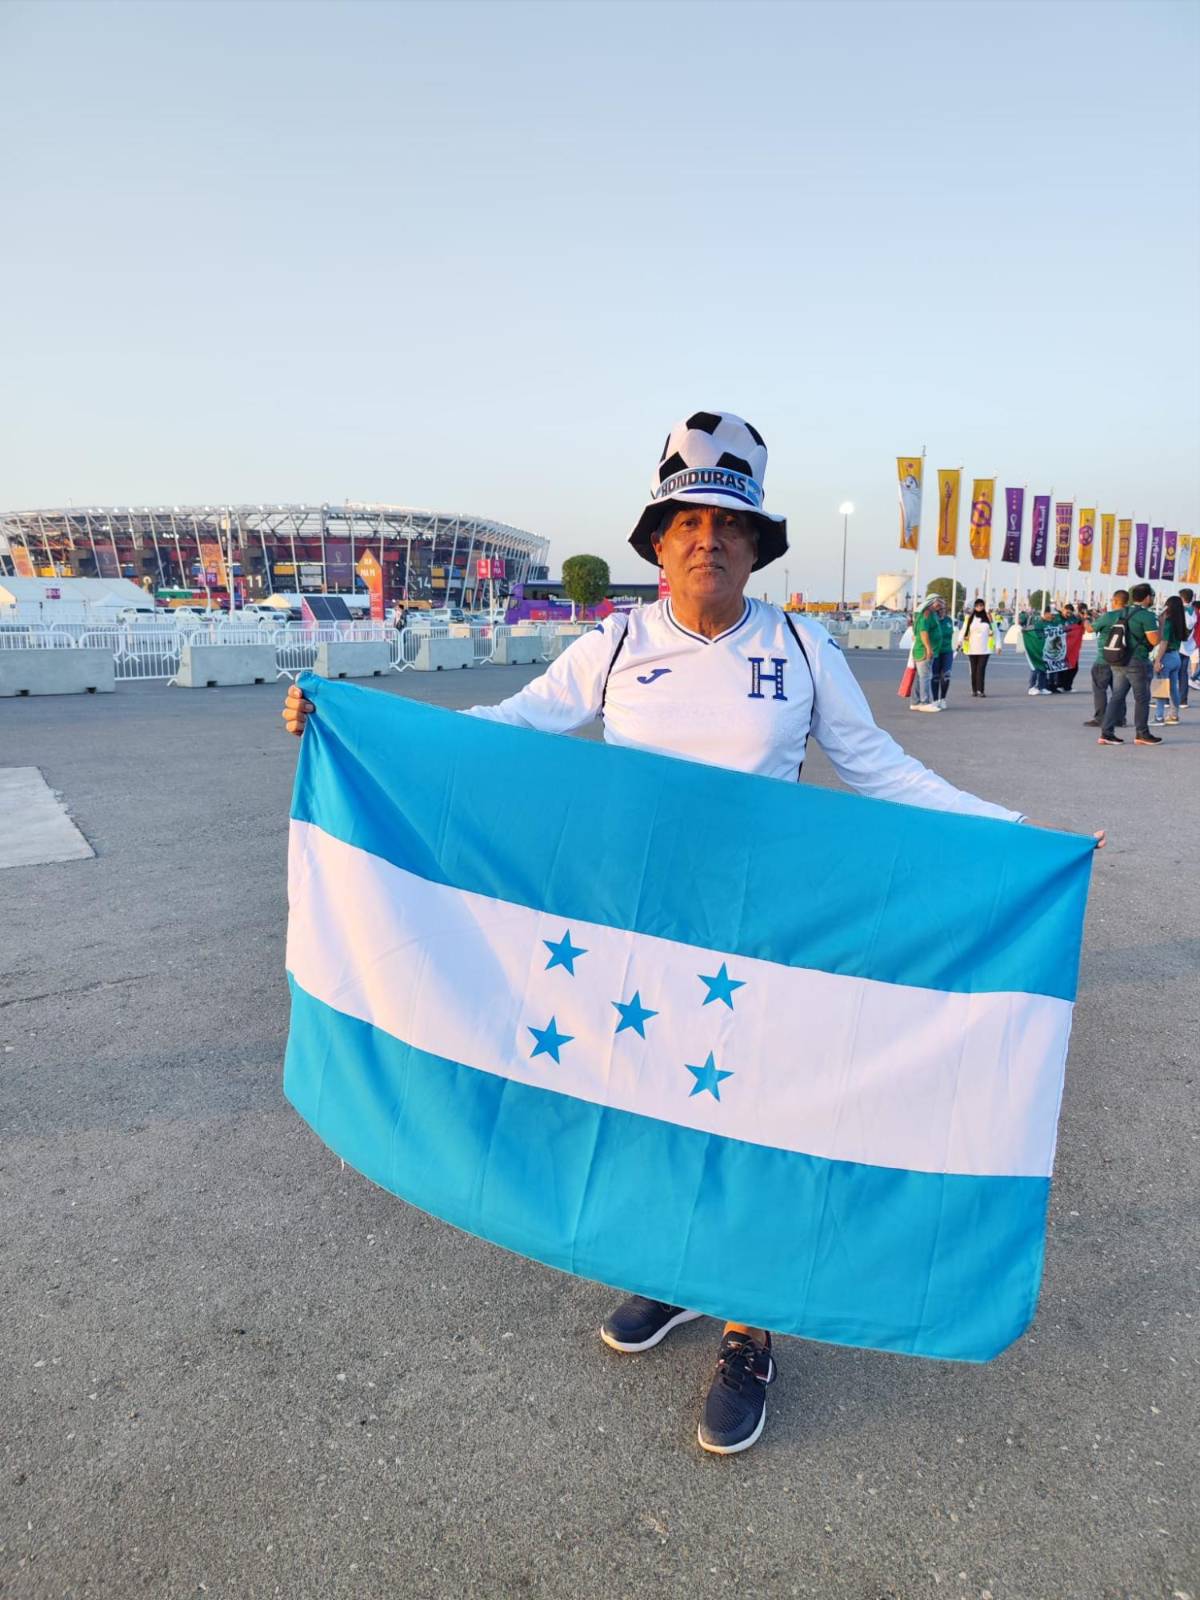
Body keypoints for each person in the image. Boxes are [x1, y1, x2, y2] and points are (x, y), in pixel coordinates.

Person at [281, 409, 1104, 1456]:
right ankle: (670, 1273)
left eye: (729, 524)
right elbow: (506, 732)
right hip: (640, 930)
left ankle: (749, 1326)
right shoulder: (616, 643)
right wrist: (355, 722)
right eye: (688, 523)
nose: (708, 538)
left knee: (749, 1115)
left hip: (764, 939)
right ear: (659, 545)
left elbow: (881, 770)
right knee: (647, 1104)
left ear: (756, 546)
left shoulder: (801, 646)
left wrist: (1019, 837)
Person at [1099, 582, 1162, 747]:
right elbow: (1154, 640)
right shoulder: (1146, 616)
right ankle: (1142, 733)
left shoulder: (1121, 612)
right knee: (1142, 698)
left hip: (1118, 658)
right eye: (1152, 596)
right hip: (1137, 660)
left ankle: (1106, 733)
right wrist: (1161, 626)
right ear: (1147, 597)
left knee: (1117, 696)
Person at [1084, 589, 1129, 729]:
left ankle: (1101, 718)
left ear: (1115, 601)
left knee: (1100, 690)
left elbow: (1090, 629)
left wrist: (1086, 620)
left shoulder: (1108, 616)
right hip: (1122, 659)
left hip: (1104, 659)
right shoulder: (1130, 615)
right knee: (1118, 691)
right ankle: (1120, 719)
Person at [1152, 594, 1186, 727]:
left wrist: (1157, 660)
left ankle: (1159, 717)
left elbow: (1164, 642)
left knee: (1160, 687)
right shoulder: (1180, 621)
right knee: (1173, 689)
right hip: (1176, 656)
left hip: (1165, 656)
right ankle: (1173, 714)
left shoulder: (1168, 622)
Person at [910, 596, 941, 711]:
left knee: (921, 677)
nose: (940, 604)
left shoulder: (931, 614)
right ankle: (925, 702)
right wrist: (928, 648)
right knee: (925, 677)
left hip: (924, 650)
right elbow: (924, 633)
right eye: (937, 601)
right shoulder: (926, 615)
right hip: (923, 651)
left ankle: (916, 701)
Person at [960, 598, 996, 697]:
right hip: (972, 648)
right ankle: (974, 689)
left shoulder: (988, 617)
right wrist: (959, 641)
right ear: (974, 607)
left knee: (981, 669)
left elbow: (995, 631)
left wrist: (998, 645)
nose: (979, 607)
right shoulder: (970, 618)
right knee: (974, 670)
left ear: (983, 606)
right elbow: (963, 630)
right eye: (977, 606)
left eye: (981, 605)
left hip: (985, 649)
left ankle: (981, 690)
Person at [1020, 609, 1049, 695]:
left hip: (1041, 649)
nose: (1053, 616)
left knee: (1043, 667)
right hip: (1031, 649)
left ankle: (1041, 687)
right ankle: (1031, 687)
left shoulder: (1048, 623)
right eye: (1051, 614)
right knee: (1035, 668)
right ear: (1046, 613)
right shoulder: (1036, 621)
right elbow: (1024, 629)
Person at [932, 597, 955, 705]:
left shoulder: (949, 620)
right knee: (935, 676)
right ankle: (935, 699)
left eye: (944, 609)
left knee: (946, 675)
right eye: (940, 609)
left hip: (947, 651)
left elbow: (950, 633)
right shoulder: (933, 620)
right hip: (935, 651)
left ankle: (943, 699)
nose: (942, 611)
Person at [1179, 588, 1197, 707]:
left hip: (1177, 646)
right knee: (1183, 673)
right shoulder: (1193, 611)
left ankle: (1164, 700)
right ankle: (1183, 700)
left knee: (1168, 673)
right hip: (1188, 646)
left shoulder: (1180, 610)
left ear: (1181, 598)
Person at [1060, 605, 1084, 692]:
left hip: (1071, 648)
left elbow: (1080, 625)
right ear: (1063, 609)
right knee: (1062, 669)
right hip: (1060, 648)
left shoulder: (1073, 619)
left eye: (1070, 613)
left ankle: (1067, 686)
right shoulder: (1057, 618)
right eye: (1067, 612)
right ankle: (1060, 685)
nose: (1068, 614)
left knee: (1074, 668)